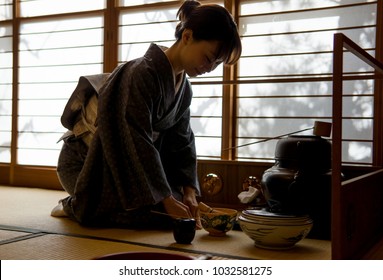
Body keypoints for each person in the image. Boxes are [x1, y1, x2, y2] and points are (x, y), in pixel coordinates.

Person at [51, 0, 242, 230]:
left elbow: (183, 142)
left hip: (127, 169)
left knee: (177, 208)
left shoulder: (184, 88)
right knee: (151, 213)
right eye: (209, 58)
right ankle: (73, 205)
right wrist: (166, 199)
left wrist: (188, 192)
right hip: (87, 165)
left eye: (217, 64)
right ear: (188, 36)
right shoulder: (141, 73)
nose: (210, 68)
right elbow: (134, 139)